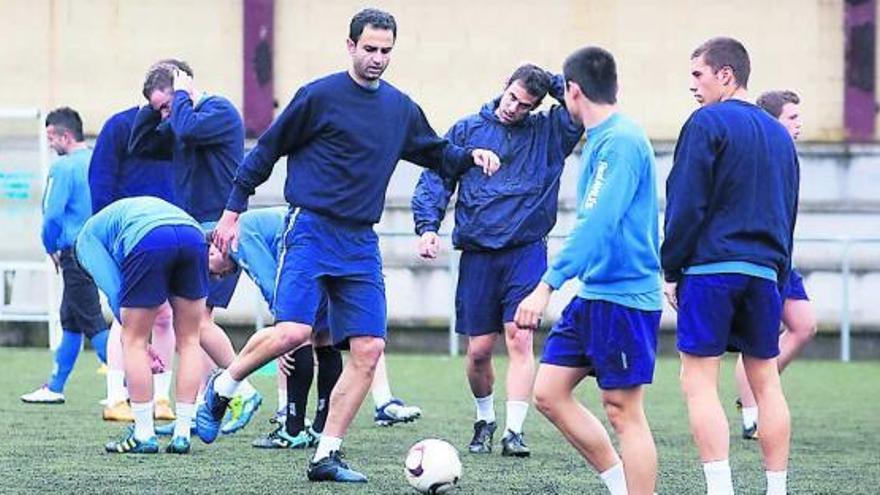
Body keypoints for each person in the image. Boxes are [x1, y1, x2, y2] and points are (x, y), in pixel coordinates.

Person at [203, 8, 500, 483]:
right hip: (310, 228)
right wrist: (233, 209)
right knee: (295, 332)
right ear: (350, 46)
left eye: (386, 51)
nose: (378, 58)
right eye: (370, 49)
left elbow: (433, 150)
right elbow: (266, 150)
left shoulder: (399, 108)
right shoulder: (318, 97)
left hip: (360, 240)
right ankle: (222, 386)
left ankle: (326, 454)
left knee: (369, 348)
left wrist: (469, 157)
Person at [412, 63, 582, 457]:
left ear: (536, 105)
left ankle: (514, 432)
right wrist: (427, 227)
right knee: (478, 352)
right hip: (478, 254)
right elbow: (437, 178)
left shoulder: (549, 133)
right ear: (503, 86)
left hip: (526, 251)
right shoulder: (467, 131)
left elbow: (579, 100)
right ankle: (484, 419)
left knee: (520, 338)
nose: (514, 108)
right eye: (512, 98)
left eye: (525, 105)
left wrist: (550, 82)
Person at [515, 47, 663, 495]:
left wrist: (546, 286)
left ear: (575, 91)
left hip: (624, 298)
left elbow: (597, 224)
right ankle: (621, 485)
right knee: (548, 392)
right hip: (595, 294)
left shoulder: (619, 142)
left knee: (622, 410)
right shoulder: (601, 135)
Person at [662, 38, 799, 495]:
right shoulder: (781, 134)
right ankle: (776, 489)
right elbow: (789, 209)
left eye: (698, 75)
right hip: (764, 272)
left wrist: (671, 268)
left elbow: (685, 203)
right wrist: (778, 274)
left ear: (726, 75)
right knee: (767, 384)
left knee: (699, 382)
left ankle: (721, 490)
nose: (692, 86)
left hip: (710, 270)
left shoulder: (706, 123)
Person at [205, 207, 420, 449]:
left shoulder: (237, 238)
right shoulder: (250, 227)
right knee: (325, 337)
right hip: (332, 243)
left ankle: (291, 430)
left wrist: (282, 331)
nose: (221, 276)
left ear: (214, 247)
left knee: (298, 335)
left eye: (214, 271)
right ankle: (320, 429)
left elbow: (269, 283)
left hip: (309, 249)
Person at [133, 59, 263, 432]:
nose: (166, 115)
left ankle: (241, 388)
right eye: (161, 109)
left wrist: (181, 96)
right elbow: (139, 144)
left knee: (196, 321)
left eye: (168, 105)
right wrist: (153, 107)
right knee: (189, 325)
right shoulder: (181, 119)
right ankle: (209, 403)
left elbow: (187, 130)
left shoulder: (217, 111)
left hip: (219, 230)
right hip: (194, 231)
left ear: (186, 89)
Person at [76, 196, 211, 454]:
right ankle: (182, 433)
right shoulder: (112, 219)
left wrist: (142, 343)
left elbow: (116, 294)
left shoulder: (84, 243)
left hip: (150, 237)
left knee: (132, 342)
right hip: (193, 235)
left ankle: (144, 434)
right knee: (190, 340)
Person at [733, 89, 816, 441]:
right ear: (773, 122)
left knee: (805, 325)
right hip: (761, 258)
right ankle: (752, 413)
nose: (799, 124)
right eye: (792, 118)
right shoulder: (758, 155)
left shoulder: (786, 155)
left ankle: (752, 391)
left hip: (782, 257)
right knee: (758, 339)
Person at [88, 104, 178, 422]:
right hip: (129, 235)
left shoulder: (181, 127)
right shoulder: (119, 126)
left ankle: (162, 398)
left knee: (165, 318)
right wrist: (111, 235)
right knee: (126, 316)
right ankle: (115, 397)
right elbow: (100, 181)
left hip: (173, 231)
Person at [21, 108, 110, 405]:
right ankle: (55, 386)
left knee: (91, 319)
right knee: (70, 319)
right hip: (99, 248)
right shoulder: (99, 160)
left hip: (74, 252)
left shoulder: (63, 168)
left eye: (50, 137)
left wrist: (50, 246)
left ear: (65, 136)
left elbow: (52, 216)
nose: (49, 144)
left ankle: (130, 384)